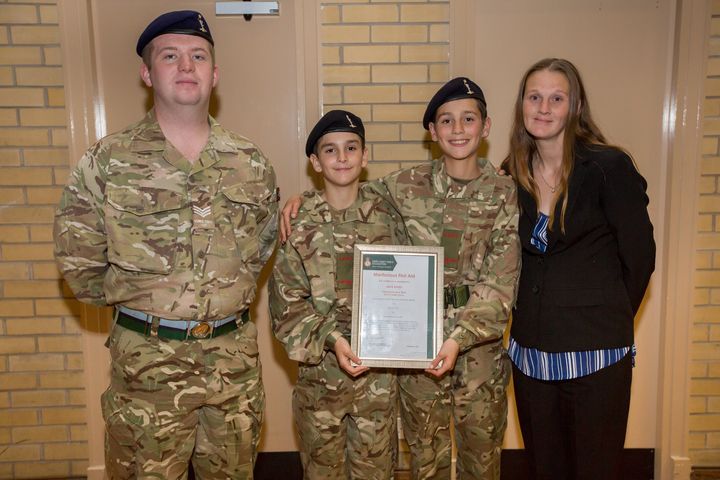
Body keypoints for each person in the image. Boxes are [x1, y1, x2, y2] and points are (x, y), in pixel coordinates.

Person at [54, 11, 278, 479]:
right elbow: (80, 265)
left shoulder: (250, 162)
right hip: (146, 372)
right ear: (146, 73)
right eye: (169, 56)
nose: (185, 66)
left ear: (214, 74)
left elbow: (258, 251)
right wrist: (147, 308)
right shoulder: (107, 162)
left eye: (198, 56)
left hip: (232, 367)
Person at [281, 78, 521, 479]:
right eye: (446, 120)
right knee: (425, 461)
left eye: (468, 119)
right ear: (432, 131)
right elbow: (344, 187)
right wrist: (298, 200)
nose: (458, 130)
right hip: (417, 350)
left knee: (482, 461)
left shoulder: (503, 192)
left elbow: (501, 281)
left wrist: (459, 338)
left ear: (486, 126)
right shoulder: (402, 186)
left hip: (477, 352)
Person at [503, 58, 655, 480]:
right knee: (544, 469)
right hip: (531, 356)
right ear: (522, 105)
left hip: (596, 355)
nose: (544, 107)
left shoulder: (609, 168)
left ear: (576, 106)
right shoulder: (510, 173)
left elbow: (640, 257)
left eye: (557, 98)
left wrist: (605, 315)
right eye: (535, 97)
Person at [269, 110, 407, 479]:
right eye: (330, 150)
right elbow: (287, 307)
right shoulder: (298, 223)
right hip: (320, 385)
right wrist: (333, 339)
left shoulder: (391, 215)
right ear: (315, 162)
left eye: (351, 148)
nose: (342, 157)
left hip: (377, 384)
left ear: (365, 156)